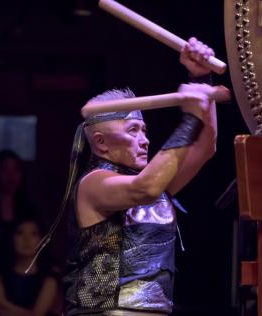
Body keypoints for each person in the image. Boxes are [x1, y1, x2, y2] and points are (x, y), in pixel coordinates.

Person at [56, 37, 229, 315]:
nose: (145, 140)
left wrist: (202, 79)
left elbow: (205, 147)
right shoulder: (94, 184)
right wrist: (190, 117)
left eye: (145, 130)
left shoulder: (158, 182)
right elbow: (144, 188)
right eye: (133, 131)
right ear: (101, 144)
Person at [0, 217, 62, 316]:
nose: (26, 239)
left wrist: (3, 302)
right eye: (20, 233)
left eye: (33, 233)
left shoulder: (50, 276)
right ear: (12, 238)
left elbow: (36, 315)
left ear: (42, 240)